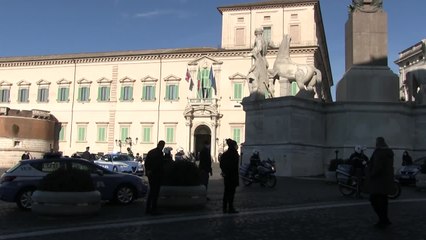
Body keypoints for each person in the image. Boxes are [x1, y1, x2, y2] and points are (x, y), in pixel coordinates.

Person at [366, 137, 394, 229]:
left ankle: (382, 219)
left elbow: (377, 167)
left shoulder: (379, 152)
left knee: (373, 199)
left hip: (378, 181)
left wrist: (370, 174)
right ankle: (385, 219)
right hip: (386, 181)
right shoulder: (389, 152)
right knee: (384, 201)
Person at [144, 140, 165, 215]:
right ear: (162, 146)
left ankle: (148, 208)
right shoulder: (160, 153)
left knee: (151, 192)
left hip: (151, 175)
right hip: (157, 175)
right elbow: (159, 164)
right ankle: (154, 209)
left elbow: (146, 163)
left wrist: (148, 171)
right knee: (155, 193)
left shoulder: (150, 152)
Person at [220, 138, 240, 214]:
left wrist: (224, 171)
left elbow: (221, 164)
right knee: (231, 193)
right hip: (233, 176)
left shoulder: (225, 154)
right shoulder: (234, 154)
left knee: (226, 192)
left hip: (227, 176)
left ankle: (224, 208)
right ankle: (230, 208)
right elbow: (234, 166)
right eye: (236, 145)